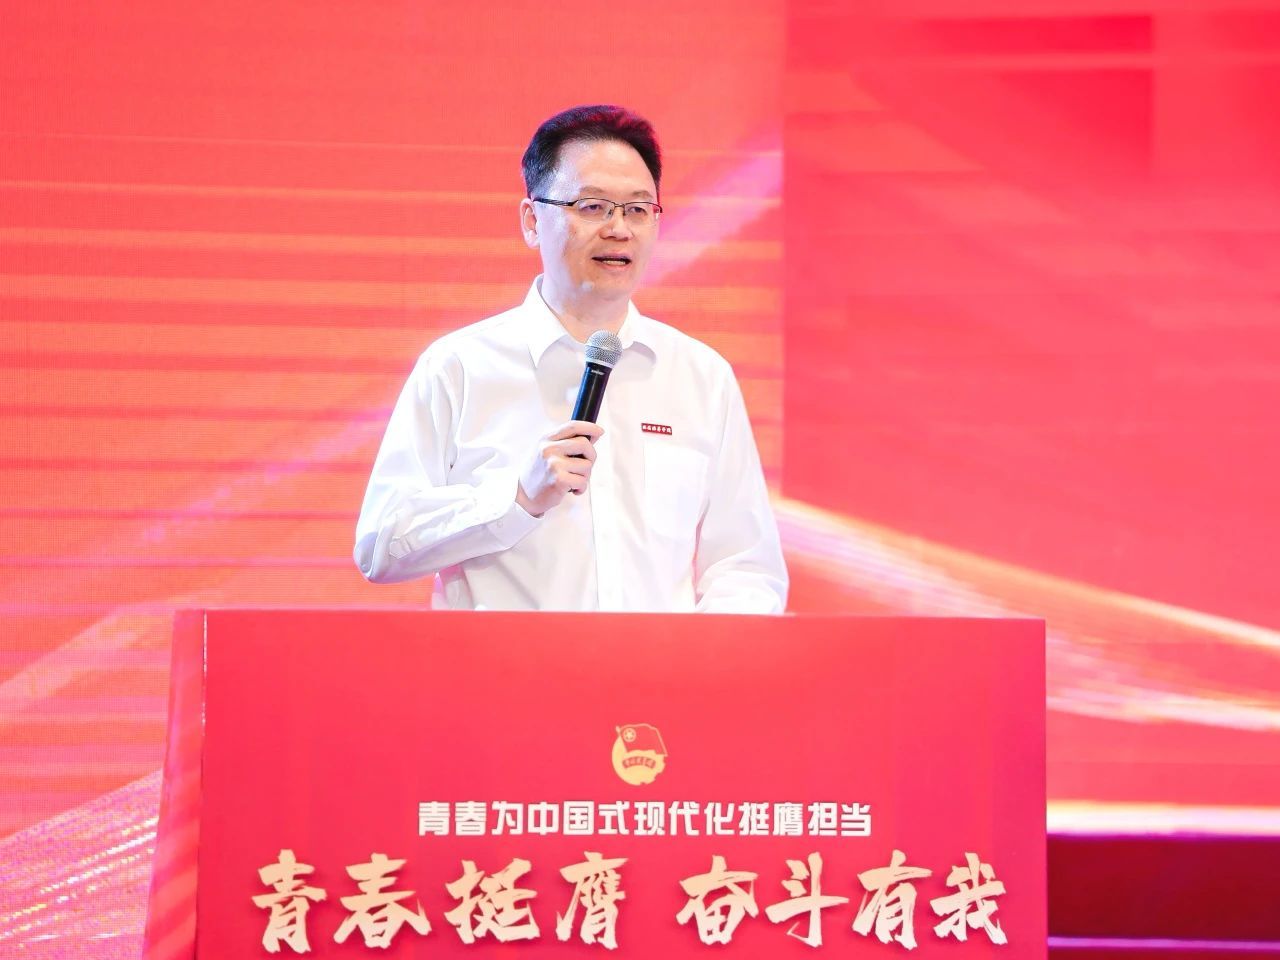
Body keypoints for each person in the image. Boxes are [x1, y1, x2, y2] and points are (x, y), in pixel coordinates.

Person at [354, 104, 787, 612]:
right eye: (592, 206)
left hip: (659, 665)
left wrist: (702, 657)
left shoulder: (700, 376)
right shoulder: (459, 368)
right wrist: (517, 498)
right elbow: (381, 546)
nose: (618, 229)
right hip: (500, 665)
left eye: (638, 209)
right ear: (532, 220)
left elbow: (745, 566)